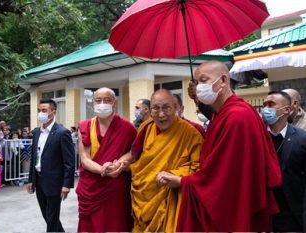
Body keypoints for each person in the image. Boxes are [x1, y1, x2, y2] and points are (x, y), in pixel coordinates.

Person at [161, 60, 282, 231]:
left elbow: (224, 175)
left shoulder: (237, 117)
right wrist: (198, 100)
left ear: (224, 81)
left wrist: (183, 182)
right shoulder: (223, 113)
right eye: (196, 82)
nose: (199, 86)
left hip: (235, 206)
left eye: (204, 81)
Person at [130, 89, 203, 232]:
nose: (161, 114)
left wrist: (174, 175)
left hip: (172, 198)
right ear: (150, 111)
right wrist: (120, 163)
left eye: (166, 108)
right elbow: (135, 157)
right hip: (144, 194)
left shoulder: (191, 133)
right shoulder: (146, 127)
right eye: (156, 108)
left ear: (176, 108)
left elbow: (199, 168)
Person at [76, 87, 137, 232]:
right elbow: (84, 158)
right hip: (91, 186)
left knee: (115, 224)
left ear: (114, 102)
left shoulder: (127, 127)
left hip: (115, 188)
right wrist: (102, 169)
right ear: (93, 103)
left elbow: (134, 152)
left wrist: (120, 163)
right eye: (98, 100)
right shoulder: (85, 126)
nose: (102, 103)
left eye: (107, 100)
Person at [27, 99, 75, 232]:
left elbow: (69, 162)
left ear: (53, 112)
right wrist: (31, 179)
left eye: (44, 111)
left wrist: (66, 184)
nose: (40, 113)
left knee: (52, 217)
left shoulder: (62, 132)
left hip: (54, 182)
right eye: (39, 110)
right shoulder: (36, 132)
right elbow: (34, 157)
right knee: (47, 216)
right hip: (39, 179)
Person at [261, 91, 306, 231]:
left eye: (271, 104)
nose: (265, 109)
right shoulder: (257, 137)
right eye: (264, 105)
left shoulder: (301, 138)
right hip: (265, 215)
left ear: (287, 109)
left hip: (293, 215)